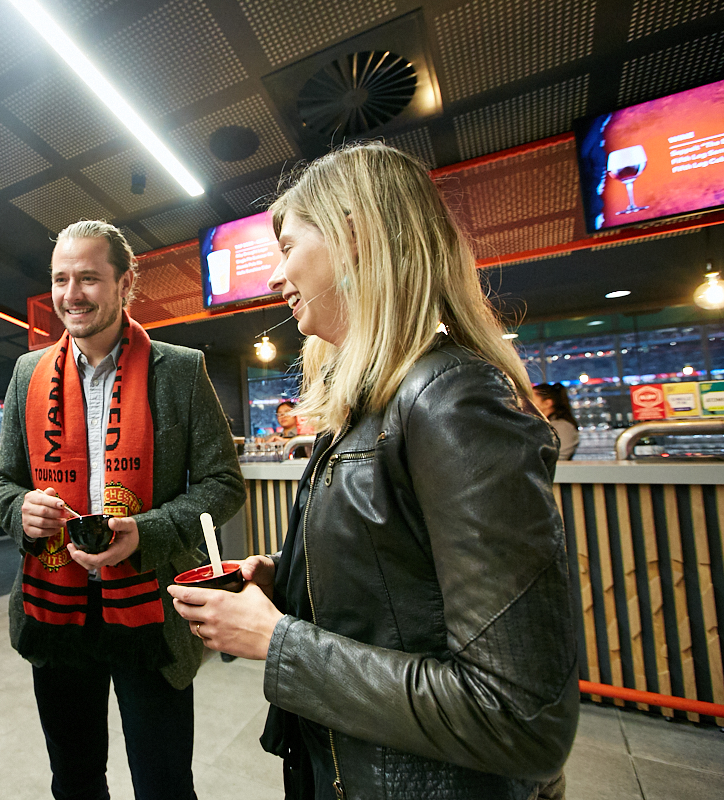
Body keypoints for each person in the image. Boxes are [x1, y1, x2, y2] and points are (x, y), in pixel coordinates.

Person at [169, 144, 579, 800]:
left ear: (355, 235)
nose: (276, 277)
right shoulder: (367, 405)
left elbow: (520, 716)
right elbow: (400, 574)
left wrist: (278, 643)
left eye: (289, 246)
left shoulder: (453, 401)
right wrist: (284, 576)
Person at [0, 220, 245, 800]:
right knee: (74, 781)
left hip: (150, 613)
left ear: (125, 283)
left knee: (164, 783)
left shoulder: (178, 369)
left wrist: (147, 531)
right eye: (59, 279)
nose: (70, 295)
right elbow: (3, 480)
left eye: (87, 278)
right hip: (55, 611)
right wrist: (19, 509)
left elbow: (223, 482)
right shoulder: (27, 373)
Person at [533, 383, 580, 459]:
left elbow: (559, 458)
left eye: (530, 399)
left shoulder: (562, 427)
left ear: (547, 403)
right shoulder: (539, 425)